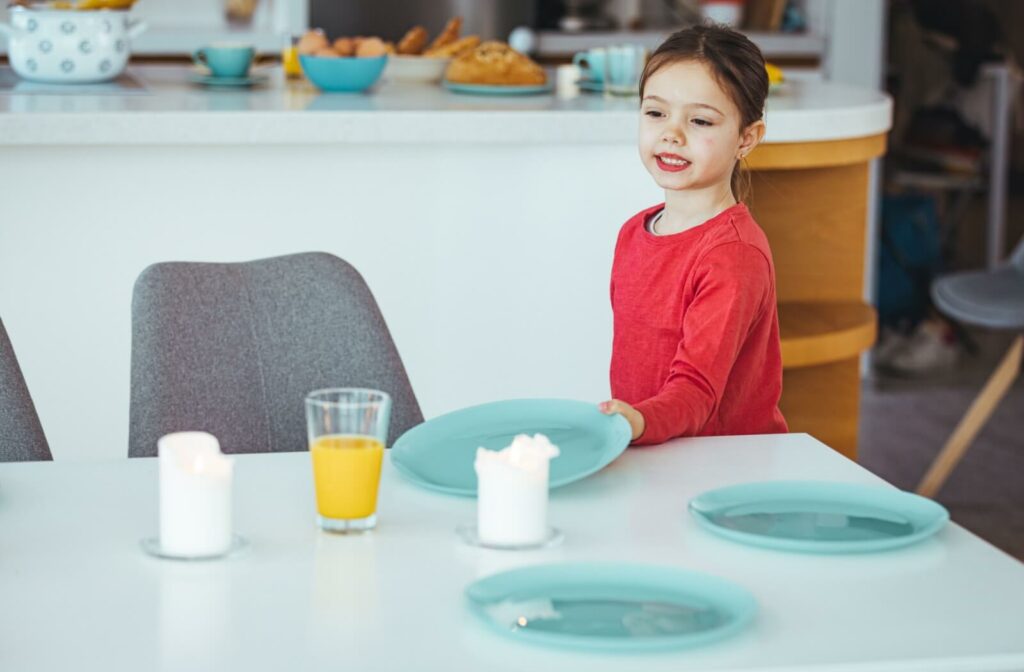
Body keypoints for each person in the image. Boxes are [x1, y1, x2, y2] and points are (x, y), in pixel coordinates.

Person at [599, 23, 788, 444]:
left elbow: (696, 393)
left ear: (747, 138)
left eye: (700, 120)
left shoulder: (732, 256)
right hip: (656, 450)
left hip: (722, 467)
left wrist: (635, 424)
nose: (672, 133)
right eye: (655, 113)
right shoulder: (633, 233)